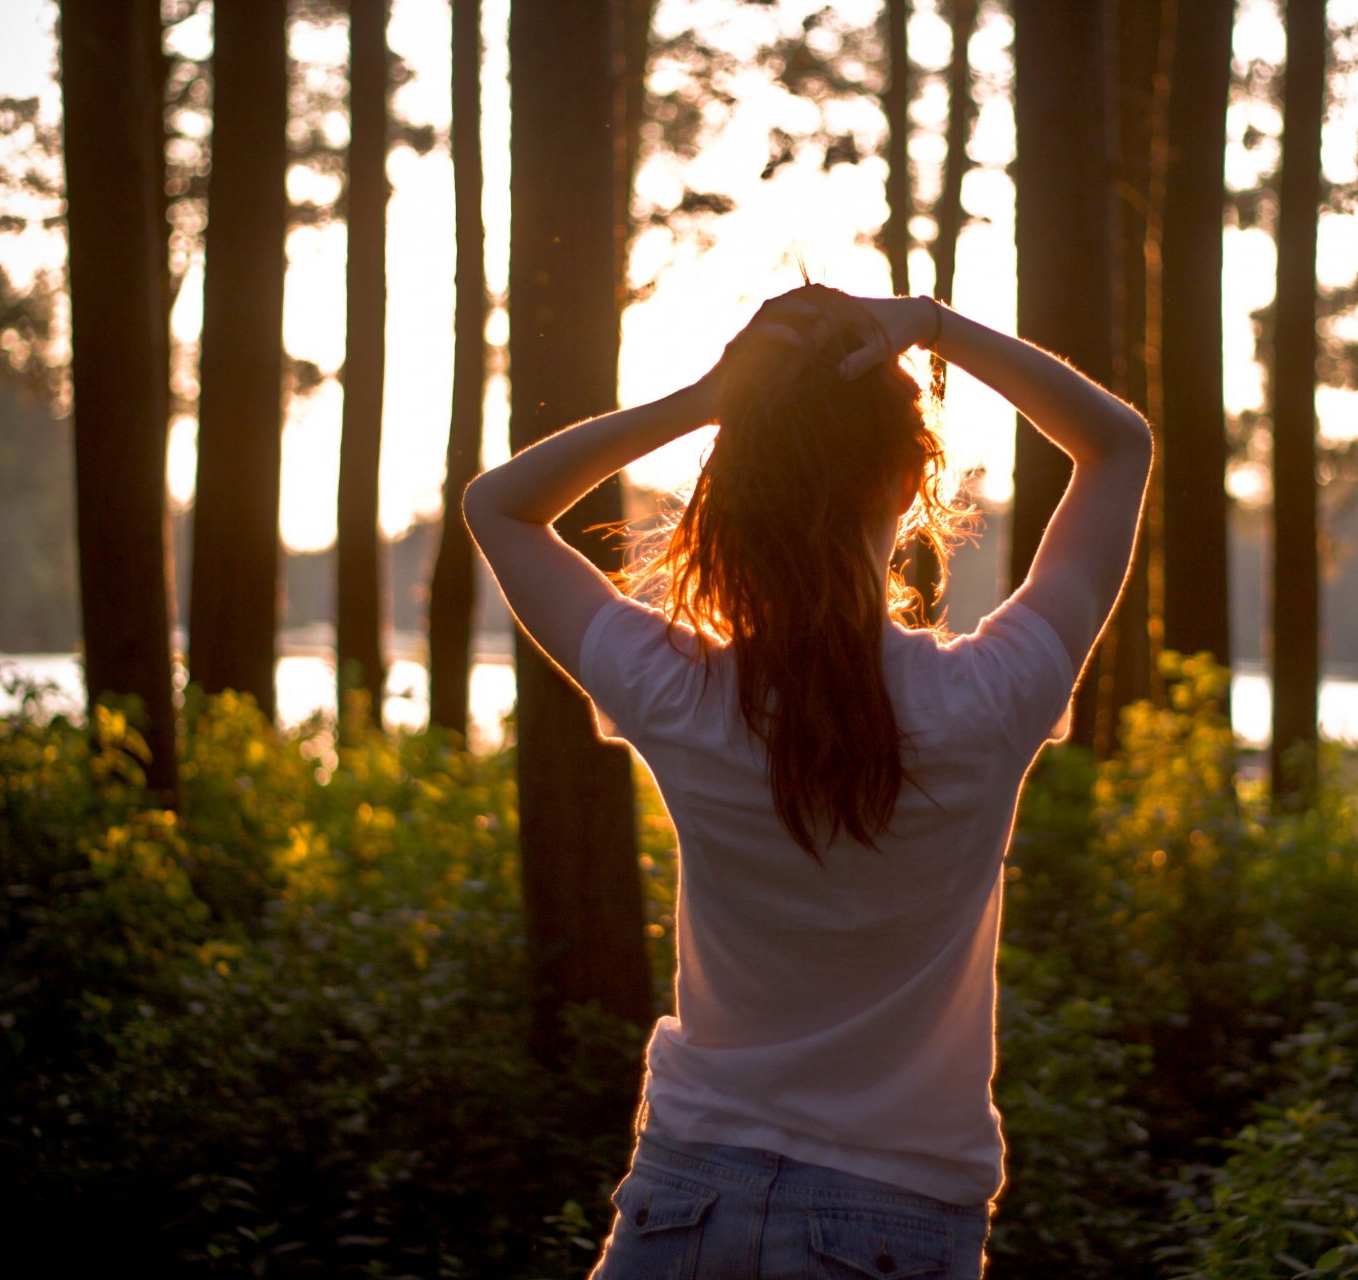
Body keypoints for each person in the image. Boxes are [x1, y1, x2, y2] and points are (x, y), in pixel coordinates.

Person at [463, 287, 1151, 1279]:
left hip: (682, 1203)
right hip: (894, 1224)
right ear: (914, 479)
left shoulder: (684, 691)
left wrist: (710, 400)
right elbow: (1116, 445)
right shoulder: (990, 699)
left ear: (735, 490)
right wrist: (935, 324)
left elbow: (501, 505)